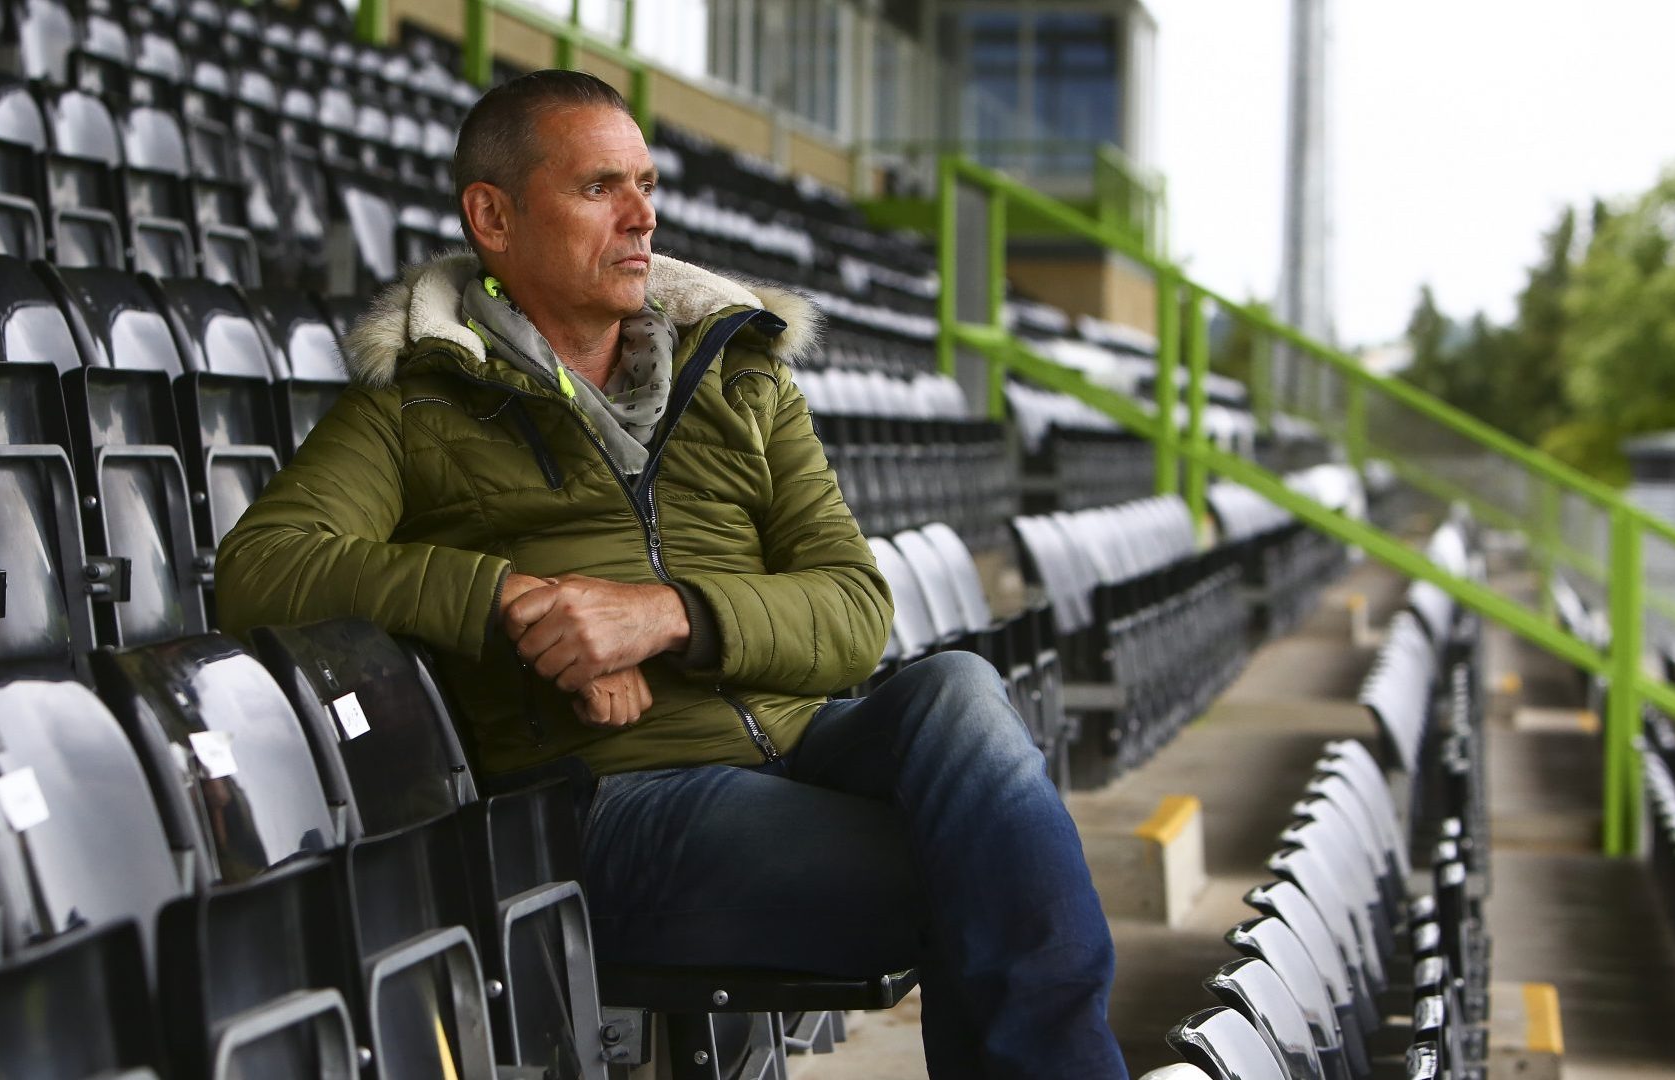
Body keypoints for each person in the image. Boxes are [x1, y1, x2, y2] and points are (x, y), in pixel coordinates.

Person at [216, 70, 1124, 1078]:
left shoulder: (741, 377)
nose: (644, 216)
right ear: (495, 217)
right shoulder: (414, 405)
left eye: (647, 183)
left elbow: (857, 611)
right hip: (620, 802)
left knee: (959, 689)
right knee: (1006, 876)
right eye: (602, 186)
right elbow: (263, 566)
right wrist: (517, 601)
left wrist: (664, 617)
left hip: (797, 739)